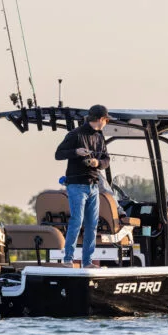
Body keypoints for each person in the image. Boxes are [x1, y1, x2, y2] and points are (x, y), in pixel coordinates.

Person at [54, 104, 112, 267]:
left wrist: (97, 163)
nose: (107, 122)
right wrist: (76, 152)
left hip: (94, 186)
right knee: (77, 221)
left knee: (92, 225)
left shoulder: (100, 137)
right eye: (107, 120)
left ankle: (87, 262)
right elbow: (58, 154)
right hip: (76, 186)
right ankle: (68, 259)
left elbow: (106, 161)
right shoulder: (75, 134)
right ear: (101, 119)